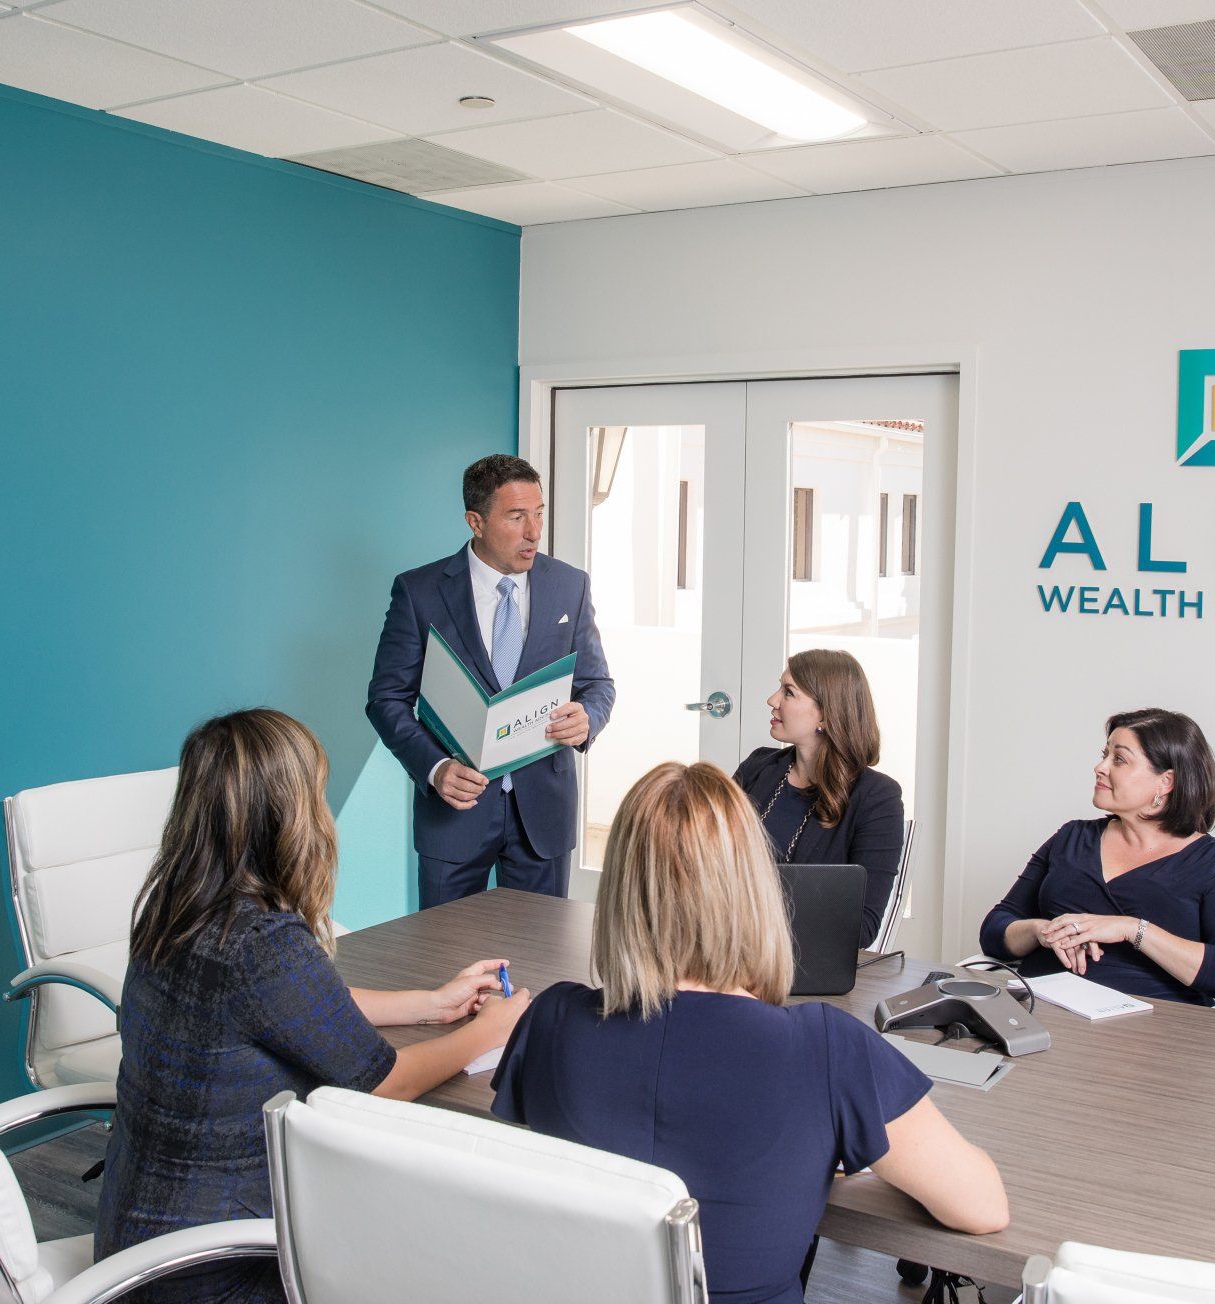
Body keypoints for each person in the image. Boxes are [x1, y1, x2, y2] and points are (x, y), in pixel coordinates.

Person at [490, 761, 1006, 1304]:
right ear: (754, 889)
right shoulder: (826, 1046)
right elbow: (983, 1207)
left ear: (621, 887)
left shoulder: (549, 1019)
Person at [94, 709, 531, 1304]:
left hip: (133, 1241)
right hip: (214, 1268)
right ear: (286, 817)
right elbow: (385, 1082)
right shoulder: (263, 944)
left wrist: (431, 1004)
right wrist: (489, 1031)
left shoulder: (177, 908)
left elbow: (291, 1009)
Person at [366, 453, 615, 908]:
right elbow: (386, 699)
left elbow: (597, 684)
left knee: (541, 964)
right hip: (453, 810)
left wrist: (588, 718)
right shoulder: (418, 592)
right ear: (475, 522)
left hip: (544, 812)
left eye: (539, 514)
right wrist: (435, 769)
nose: (534, 532)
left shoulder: (570, 585)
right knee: (444, 957)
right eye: (516, 517)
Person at [978, 708, 1215, 1007]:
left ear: (1165, 782)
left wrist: (1132, 929)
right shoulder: (1071, 838)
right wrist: (1040, 931)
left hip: (1150, 1032)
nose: (1100, 768)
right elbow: (995, 930)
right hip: (1041, 1010)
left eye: (1119, 759)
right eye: (1105, 755)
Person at [732, 650, 905, 948]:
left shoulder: (877, 798)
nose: (772, 700)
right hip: (728, 951)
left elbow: (862, 927)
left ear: (826, 713)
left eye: (788, 692)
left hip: (798, 961)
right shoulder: (758, 767)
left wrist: (744, 913)